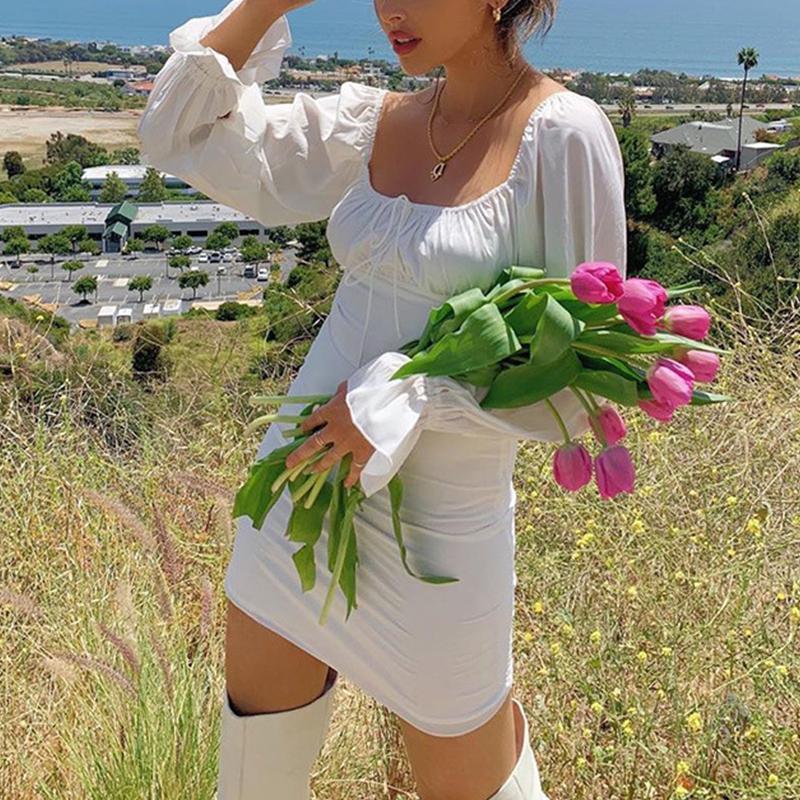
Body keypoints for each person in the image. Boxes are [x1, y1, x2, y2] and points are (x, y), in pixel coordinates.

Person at [137, 0, 627, 796]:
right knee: (254, 785)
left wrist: (410, 390)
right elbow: (177, 132)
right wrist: (266, 5)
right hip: (296, 490)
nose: (390, 10)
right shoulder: (372, 121)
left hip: (443, 541)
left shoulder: (563, 134)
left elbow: (581, 375)